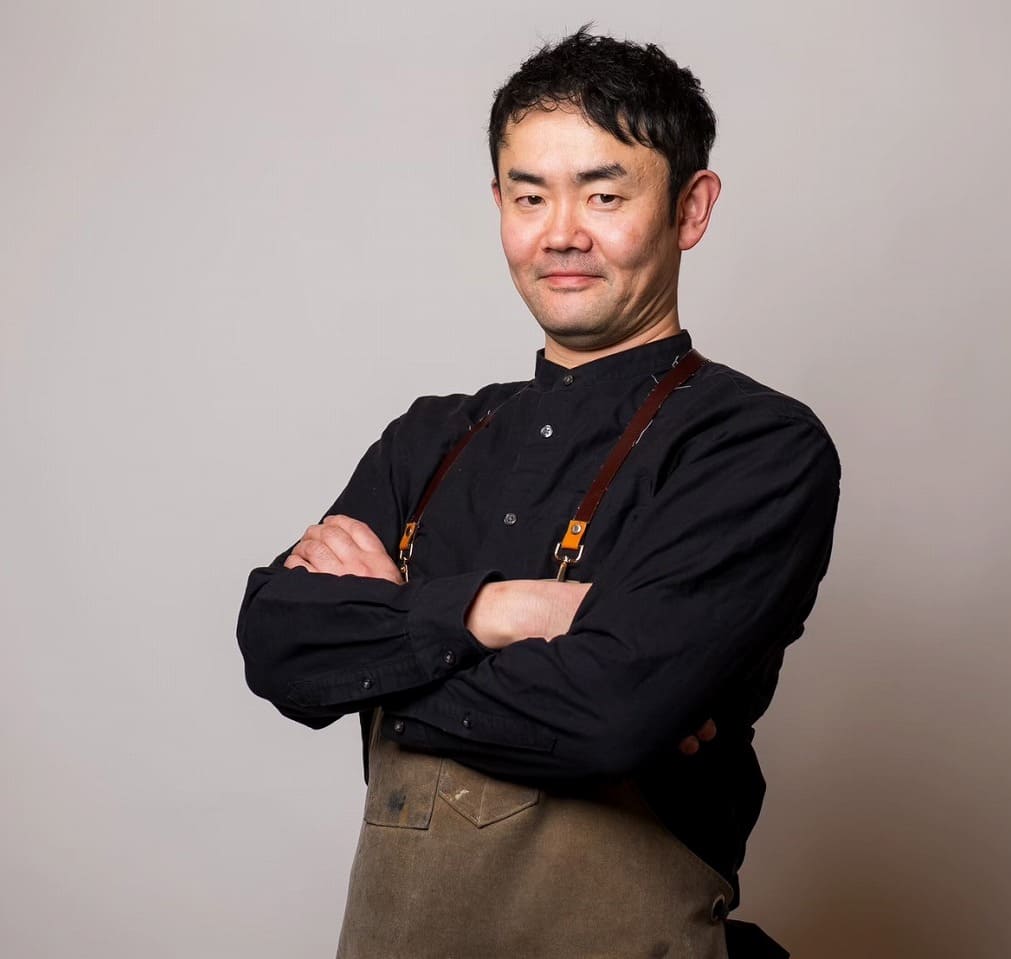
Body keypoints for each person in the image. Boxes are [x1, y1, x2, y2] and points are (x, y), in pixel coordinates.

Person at [238, 27, 840, 959]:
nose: (561, 233)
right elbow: (279, 642)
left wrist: (389, 648)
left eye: (604, 195)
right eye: (530, 196)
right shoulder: (430, 439)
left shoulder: (754, 446)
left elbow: (612, 717)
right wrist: (503, 612)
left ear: (690, 209)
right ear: (499, 205)